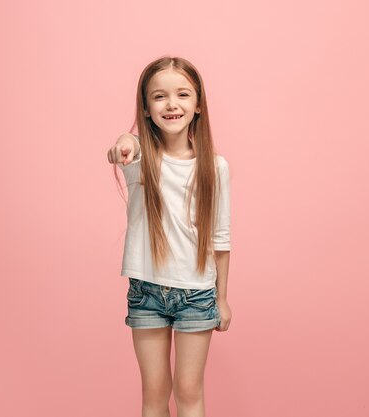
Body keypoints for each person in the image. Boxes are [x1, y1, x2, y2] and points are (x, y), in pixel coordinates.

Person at [106, 56, 232, 417]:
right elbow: (123, 145)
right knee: (155, 391)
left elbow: (220, 240)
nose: (172, 104)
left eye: (182, 94)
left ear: (198, 105)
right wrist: (123, 140)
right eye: (159, 96)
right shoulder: (139, 158)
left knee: (189, 390)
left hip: (197, 293)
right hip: (146, 290)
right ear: (145, 108)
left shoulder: (215, 167)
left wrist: (222, 299)